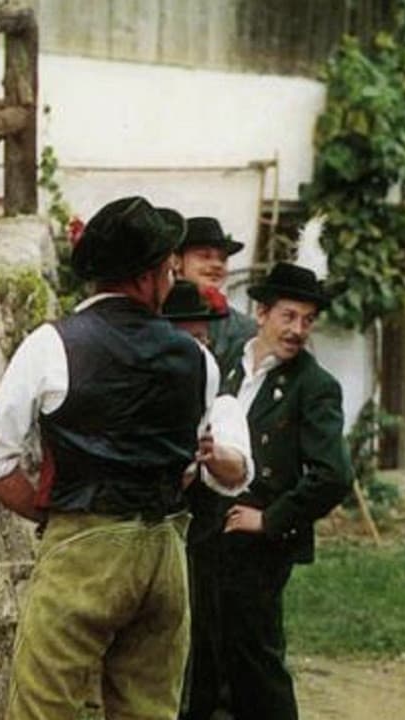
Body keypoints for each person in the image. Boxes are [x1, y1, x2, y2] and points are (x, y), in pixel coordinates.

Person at [0, 196, 234, 720]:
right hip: (164, 549)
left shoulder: (52, 345)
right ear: (148, 277)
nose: (172, 279)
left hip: (83, 548)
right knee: (149, 711)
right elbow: (188, 463)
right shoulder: (199, 360)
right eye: (168, 269)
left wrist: (49, 515)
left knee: (44, 709)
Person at [183, 261, 352, 720]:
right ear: (261, 313)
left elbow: (333, 475)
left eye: (308, 320)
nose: (297, 330)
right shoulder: (225, 365)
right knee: (202, 654)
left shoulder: (314, 386)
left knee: (255, 660)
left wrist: (270, 519)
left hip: (257, 545)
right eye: (288, 316)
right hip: (206, 531)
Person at [160, 279, 254, 719]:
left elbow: (237, 469)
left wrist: (212, 455)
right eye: (184, 339)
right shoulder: (135, 398)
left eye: (201, 339)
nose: (195, 350)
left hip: (196, 552)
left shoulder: (220, 405)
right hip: (133, 551)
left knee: (196, 657)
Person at [177, 216, 257, 373]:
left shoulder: (245, 329)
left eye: (223, 259)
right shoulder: (153, 315)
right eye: (204, 256)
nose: (217, 265)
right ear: (177, 262)